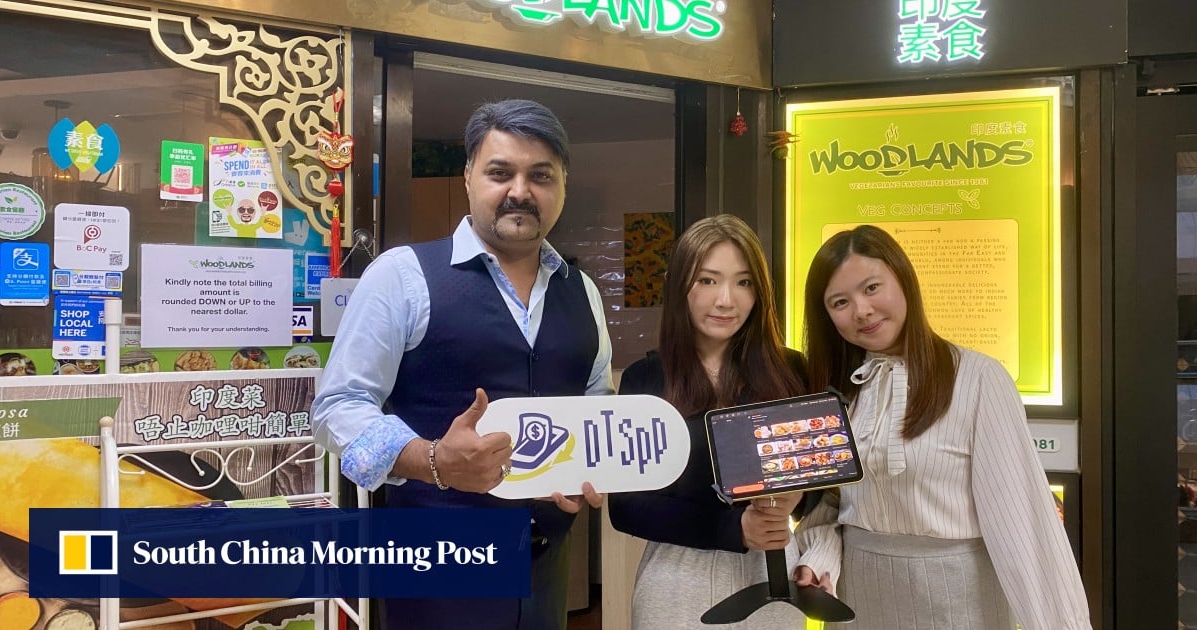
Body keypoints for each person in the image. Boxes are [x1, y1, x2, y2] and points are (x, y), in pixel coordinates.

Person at [311, 99, 612, 630]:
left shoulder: (581, 290)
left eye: (540, 175)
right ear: (469, 176)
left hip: (546, 562)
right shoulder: (401, 276)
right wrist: (431, 459)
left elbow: (594, 403)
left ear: (563, 184)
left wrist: (593, 462)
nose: (520, 190)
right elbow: (338, 406)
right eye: (501, 172)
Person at [793, 225, 1090, 629]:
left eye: (872, 288)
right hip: (860, 601)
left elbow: (1024, 526)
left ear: (904, 280)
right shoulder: (841, 391)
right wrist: (819, 560)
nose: (861, 310)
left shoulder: (979, 378)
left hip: (957, 600)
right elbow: (833, 505)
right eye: (840, 302)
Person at [608, 214, 809, 629]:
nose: (726, 300)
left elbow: (819, 485)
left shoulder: (791, 371)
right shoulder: (646, 379)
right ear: (679, 285)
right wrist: (734, 529)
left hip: (769, 574)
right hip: (676, 579)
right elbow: (626, 507)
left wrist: (796, 499)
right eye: (708, 280)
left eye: (744, 281)